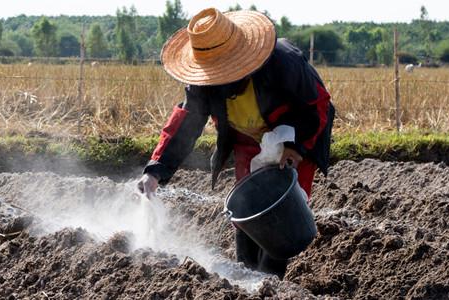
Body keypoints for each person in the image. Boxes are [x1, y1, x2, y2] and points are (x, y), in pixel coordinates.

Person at [137, 7, 334, 278]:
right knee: (247, 213)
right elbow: (187, 122)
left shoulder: (283, 63)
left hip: (295, 134)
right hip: (247, 141)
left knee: (280, 216)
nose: (219, 79)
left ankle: (270, 284)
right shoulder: (203, 82)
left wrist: (295, 147)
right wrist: (155, 170)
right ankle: (246, 279)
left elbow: (317, 106)